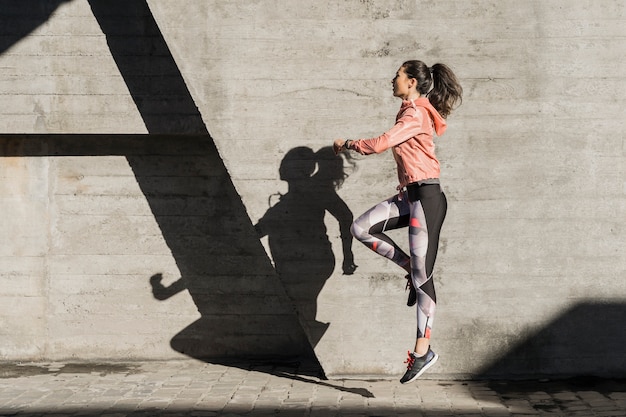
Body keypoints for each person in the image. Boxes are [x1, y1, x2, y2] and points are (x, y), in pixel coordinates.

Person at [333, 60, 462, 384]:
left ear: (412, 82)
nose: (393, 79)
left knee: (423, 276)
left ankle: (422, 352)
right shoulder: (411, 111)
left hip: (428, 199)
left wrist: (347, 143)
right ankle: (409, 269)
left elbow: (379, 144)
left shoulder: (415, 113)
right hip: (411, 197)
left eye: (398, 75)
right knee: (360, 228)